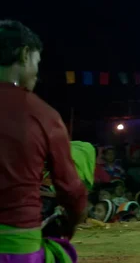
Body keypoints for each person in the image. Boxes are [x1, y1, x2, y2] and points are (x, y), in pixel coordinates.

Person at [0, 20, 88, 262]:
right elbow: (72, 191)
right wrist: (67, 228)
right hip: (19, 249)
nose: (37, 73)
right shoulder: (43, 115)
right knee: (62, 254)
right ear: (25, 54)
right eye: (37, 64)